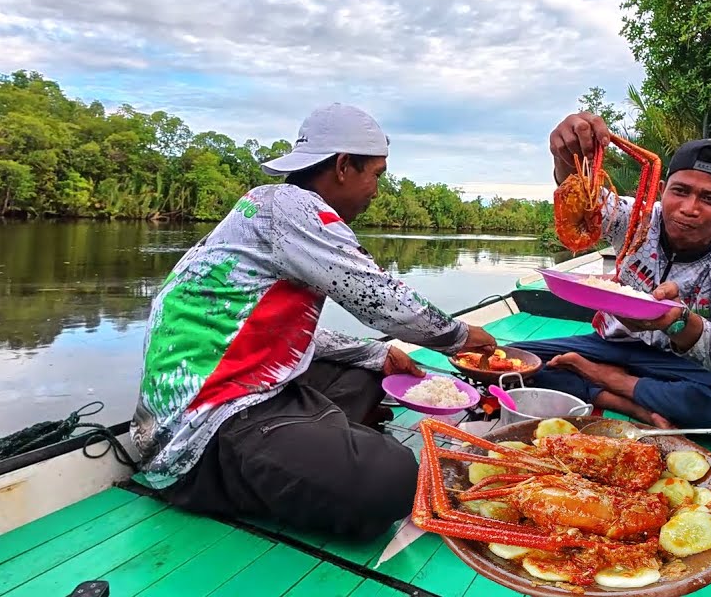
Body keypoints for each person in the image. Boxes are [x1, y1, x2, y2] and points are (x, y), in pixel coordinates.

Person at [128, 103, 498, 541]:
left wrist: (375, 352)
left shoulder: (267, 208)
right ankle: (315, 453)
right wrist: (460, 337)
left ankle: (315, 445)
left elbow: (276, 332)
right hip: (201, 434)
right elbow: (378, 297)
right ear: (343, 166)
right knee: (392, 478)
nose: (376, 190)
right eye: (376, 175)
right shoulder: (293, 208)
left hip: (248, 390)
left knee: (371, 372)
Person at [506, 111, 711, 434]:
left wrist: (678, 321)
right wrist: (564, 157)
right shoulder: (635, 215)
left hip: (680, 366)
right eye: (680, 191)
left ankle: (611, 381)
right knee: (513, 360)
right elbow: (582, 202)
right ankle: (627, 401)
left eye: (710, 199)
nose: (689, 208)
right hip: (610, 346)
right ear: (662, 189)